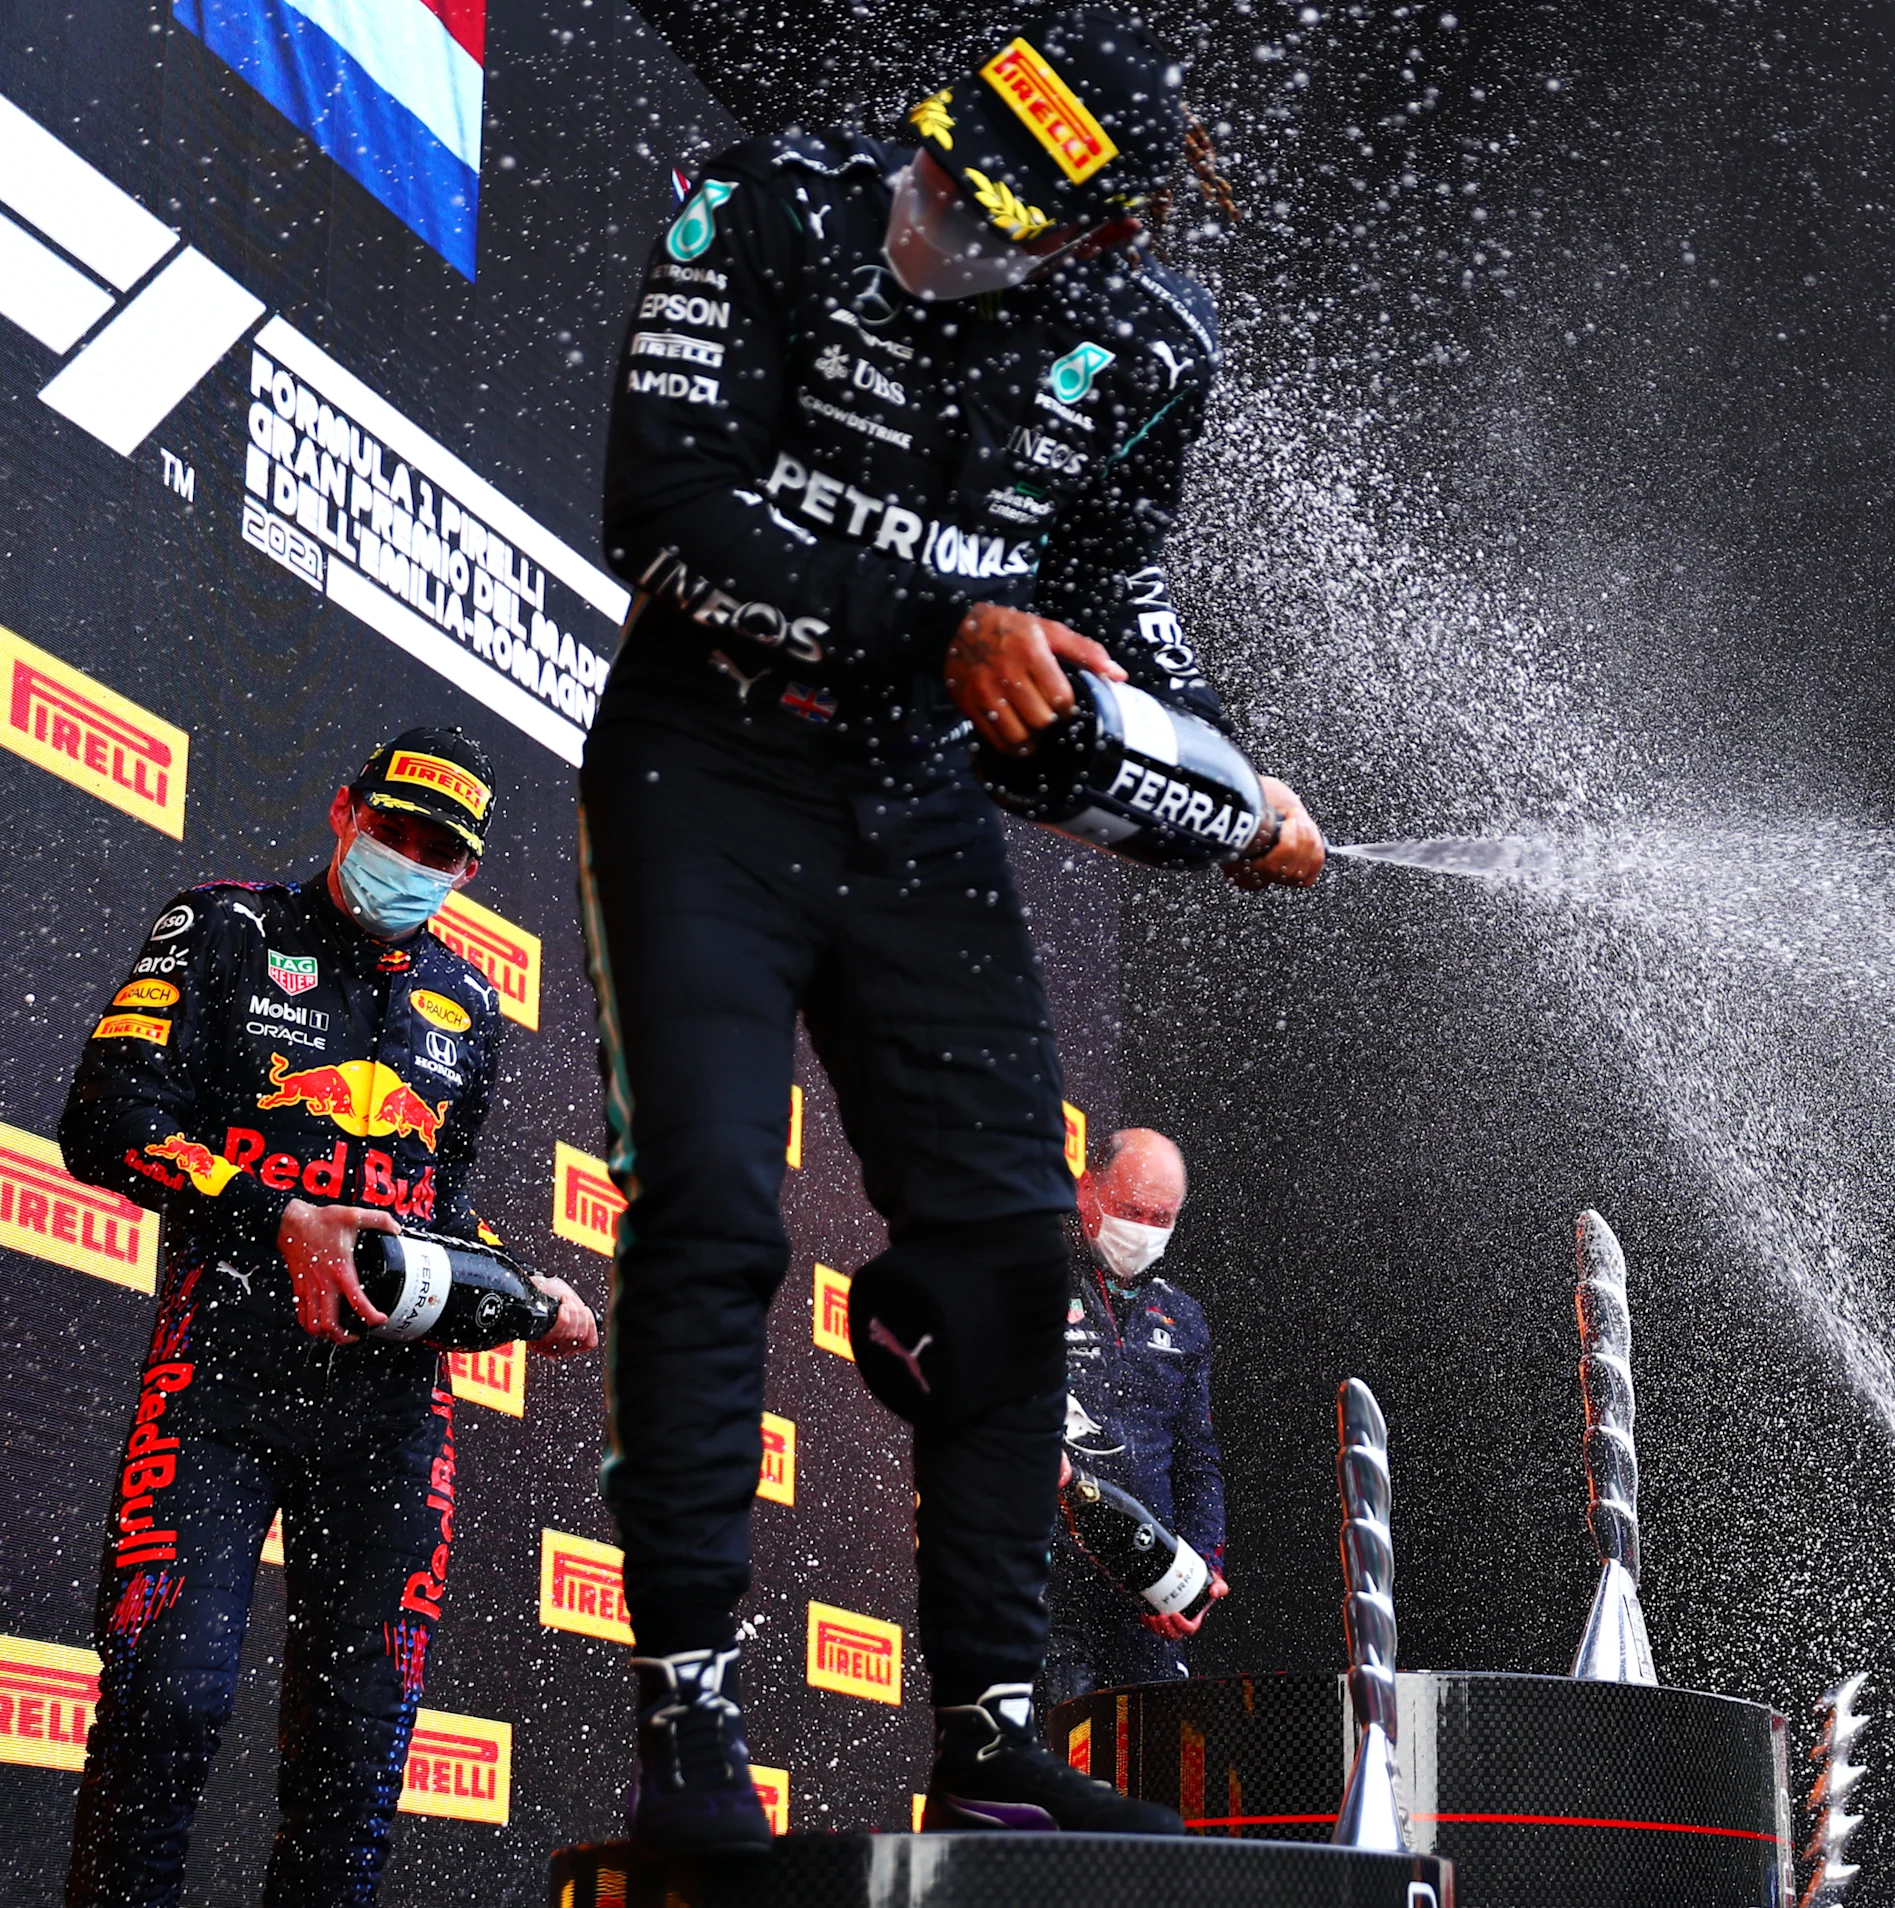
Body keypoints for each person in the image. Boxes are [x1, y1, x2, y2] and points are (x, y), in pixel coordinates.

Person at [581, 6, 1325, 1853]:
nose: (935, 215)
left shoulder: (1145, 350)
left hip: (913, 804)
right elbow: (657, 507)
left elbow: (1111, 589)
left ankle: (992, 1734)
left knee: (1004, 1260)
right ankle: (688, 1721)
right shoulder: (767, 199)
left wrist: (1216, 770)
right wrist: (940, 623)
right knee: (711, 1211)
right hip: (704, 761)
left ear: (1102, 234)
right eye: (938, 167)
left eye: (989, 212)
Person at [58, 729, 599, 1908]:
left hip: (390, 1419)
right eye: (392, 830)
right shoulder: (224, 926)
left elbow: (436, 1212)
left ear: (465, 871)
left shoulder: (467, 1001)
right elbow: (105, 1117)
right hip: (218, 1377)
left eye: (436, 852)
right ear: (343, 811)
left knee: (356, 1760)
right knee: (166, 1708)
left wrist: (525, 1292)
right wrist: (278, 1218)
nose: (408, 860)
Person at [1047, 1128, 1226, 1703]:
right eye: (1131, 1212)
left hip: (1146, 1597)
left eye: (1161, 1218)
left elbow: (1198, 1462)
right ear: (1086, 1190)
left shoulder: (1182, 1316)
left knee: (1152, 1754)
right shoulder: (1026, 1279)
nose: (1144, 1229)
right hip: (1046, 1590)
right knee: (1052, 1749)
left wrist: (1201, 1569)